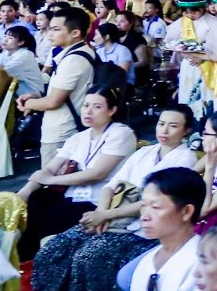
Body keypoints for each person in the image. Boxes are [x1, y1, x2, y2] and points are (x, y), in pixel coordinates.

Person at [26, 105, 200, 291]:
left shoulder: (184, 158)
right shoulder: (144, 153)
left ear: (186, 130)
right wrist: (100, 212)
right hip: (111, 217)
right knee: (56, 247)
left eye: (173, 126)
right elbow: (112, 184)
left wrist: (107, 217)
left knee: (89, 256)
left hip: (141, 230)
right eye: (161, 123)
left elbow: (155, 202)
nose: (165, 130)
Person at [13, 87, 134, 260]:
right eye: (86, 105)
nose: (88, 111)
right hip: (72, 197)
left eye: (97, 107)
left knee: (51, 214)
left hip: (97, 200)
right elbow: (49, 169)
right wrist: (26, 190)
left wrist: (51, 179)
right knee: (37, 199)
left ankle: (37, 258)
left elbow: (97, 173)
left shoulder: (121, 133)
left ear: (112, 110)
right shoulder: (78, 138)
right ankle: (25, 258)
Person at [17, 7, 97, 167]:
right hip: (63, 127)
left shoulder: (73, 59)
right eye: (49, 29)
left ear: (75, 33)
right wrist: (37, 98)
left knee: (53, 182)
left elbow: (53, 102)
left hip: (61, 131)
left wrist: (27, 104)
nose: (49, 34)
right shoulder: (75, 53)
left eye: (55, 29)